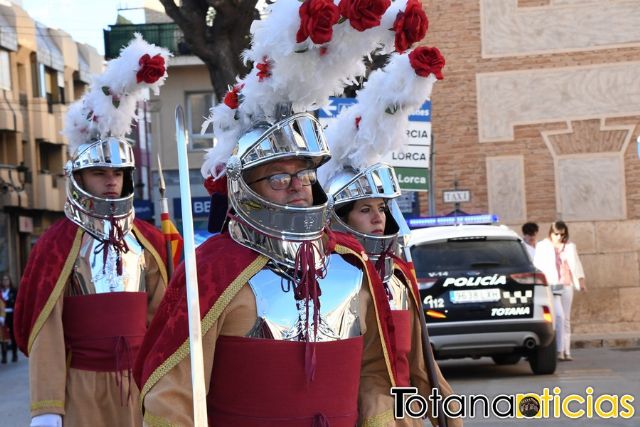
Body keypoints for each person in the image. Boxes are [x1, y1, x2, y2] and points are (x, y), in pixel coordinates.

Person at [14, 35, 170, 427]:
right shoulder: (57, 245)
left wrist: (169, 390)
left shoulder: (148, 242)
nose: (112, 182)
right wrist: (48, 407)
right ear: (80, 177)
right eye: (100, 173)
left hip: (140, 385)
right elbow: (46, 331)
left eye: (118, 172)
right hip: (81, 387)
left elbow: (163, 320)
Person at [320, 46, 460, 427]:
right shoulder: (329, 279)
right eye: (365, 210)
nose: (378, 218)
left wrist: (444, 410)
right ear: (341, 217)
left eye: (381, 209)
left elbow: (419, 364)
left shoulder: (398, 278)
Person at [534, 221, 586, 361]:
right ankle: (559, 350)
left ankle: (566, 351)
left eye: (562, 234)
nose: (559, 237)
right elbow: (537, 265)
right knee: (559, 316)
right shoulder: (542, 246)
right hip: (552, 286)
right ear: (551, 232)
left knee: (566, 318)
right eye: (556, 234)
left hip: (567, 284)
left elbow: (576, 265)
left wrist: (581, 281)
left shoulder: (570, 247)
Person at [1, 274, 18, 363]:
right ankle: (4, 356)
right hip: (2, 317)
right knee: (3, 337)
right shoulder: (1, 292)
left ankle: (15, 355)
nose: (5, 281)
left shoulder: (13, 291)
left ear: (10, 281)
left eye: (7, 279)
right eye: (4, 280)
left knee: (12, 335)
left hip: (11, 315)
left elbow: (16, 303)